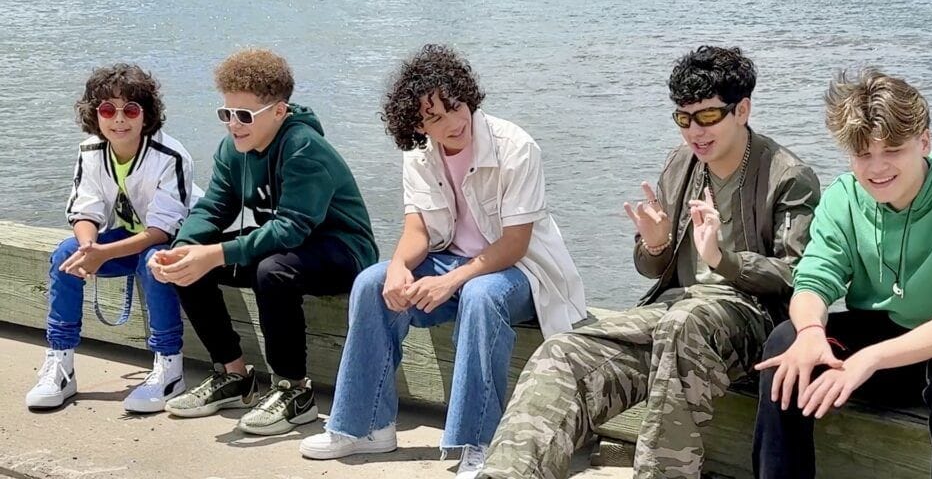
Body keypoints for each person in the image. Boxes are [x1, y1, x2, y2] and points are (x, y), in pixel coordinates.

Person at [480, 45, 820, 479]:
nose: (695, 131)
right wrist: (656, 246)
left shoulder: (788, 176)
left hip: (751, 317)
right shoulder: (681, 164)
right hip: (677, 309)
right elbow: (652, 269)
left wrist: (723, 259)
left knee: (684, 325)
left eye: (707, 116)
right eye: (683, 118)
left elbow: (798, 276)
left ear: (742, 110)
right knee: (565, 350)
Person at [298, 44, 587, 479]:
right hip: (451, 261)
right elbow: (417, 229)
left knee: (480, 294)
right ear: (417, 125)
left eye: (455, 106)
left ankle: (478, 442)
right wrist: (398, 266)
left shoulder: (516, 146)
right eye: (434, 117)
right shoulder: (418, 155)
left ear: (468, 97)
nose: (453, 122)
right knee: (372, 283)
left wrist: (452, 282)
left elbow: (515, 243)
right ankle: (366, 427)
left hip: (523, 271)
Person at [753, 69, 932, 479]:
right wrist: (809, 332)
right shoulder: (844, 196)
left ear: (924, 142)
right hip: (886, 335)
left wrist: (870, 359)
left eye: (893, 150)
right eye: (863, 154)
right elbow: (814, 280)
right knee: (787, 345)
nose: (877, 168)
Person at [150, 48, 378, 436]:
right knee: (189, 266)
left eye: (244, 115)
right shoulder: (232, 149)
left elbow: (291, 228)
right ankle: (234, 376)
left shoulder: (303, 147)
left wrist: (216, 253)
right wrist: (183, 248)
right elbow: (214, 207)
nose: (233, 125)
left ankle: (294, 391)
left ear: (279, 111)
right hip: (286, 246)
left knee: (272, 271)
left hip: (342, 251)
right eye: (226, 113)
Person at [26, 64, 200, 413]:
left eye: (130, 110)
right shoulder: (90, 150)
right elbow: (85, 210)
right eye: (108, 110)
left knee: (155, 261)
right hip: (126, 236)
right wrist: (89, 248)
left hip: (178, 237)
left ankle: (169, 366)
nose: (119, 119)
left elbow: (162, 230)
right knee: (65, 255)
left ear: (146, 114)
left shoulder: (171, 156)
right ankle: (60, 364)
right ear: (95, 114)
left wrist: (103, 253)